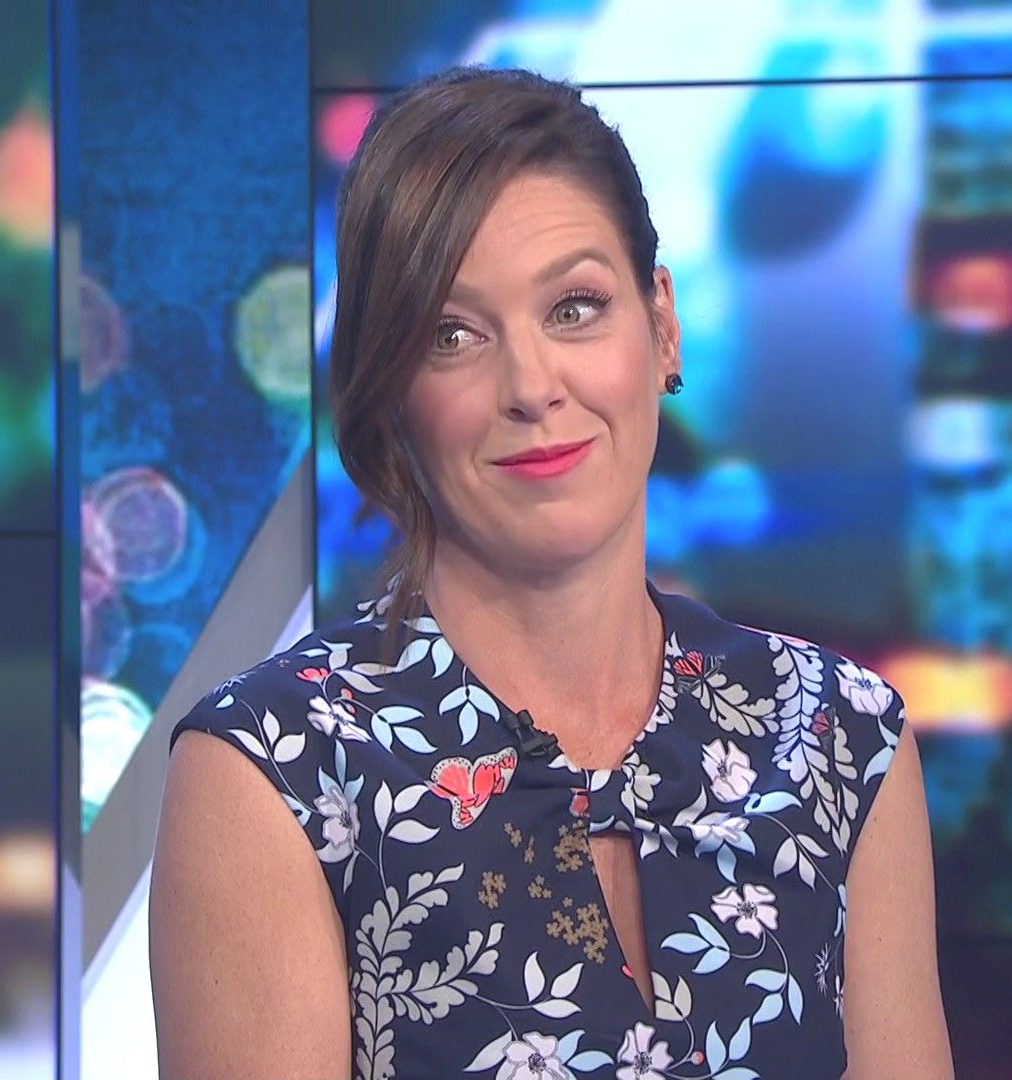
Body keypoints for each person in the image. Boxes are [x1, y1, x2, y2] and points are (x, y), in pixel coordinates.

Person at [151, 65, 952, 1080]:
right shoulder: (273, 771)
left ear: (661, 325)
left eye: (575, 308)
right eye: (452, 335)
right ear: (389, 391)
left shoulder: (839, 737)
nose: (532, 386)